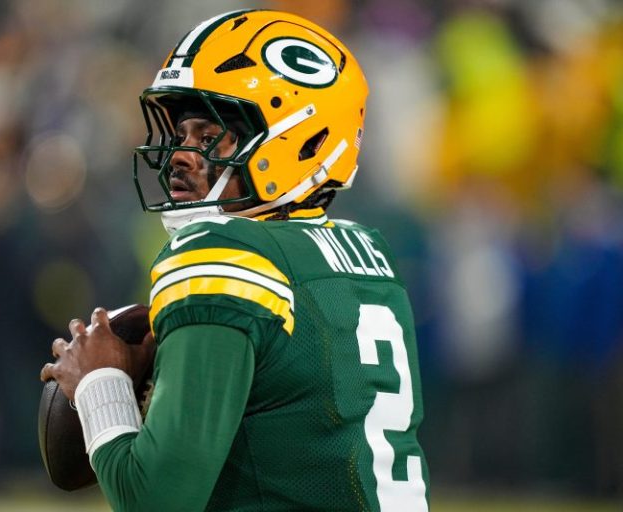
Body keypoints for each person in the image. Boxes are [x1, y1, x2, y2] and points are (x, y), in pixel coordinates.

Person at [41, 9, 430, 511]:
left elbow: (155, 502)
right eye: (181, 136)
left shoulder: (220, 254)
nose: (181, 155)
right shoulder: (364, 253)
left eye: (209, 138)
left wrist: (101, 383)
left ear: (300, 140)